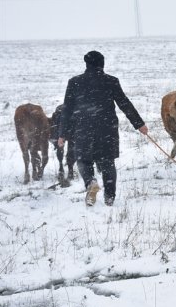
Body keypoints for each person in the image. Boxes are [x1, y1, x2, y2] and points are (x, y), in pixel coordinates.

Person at [58, 51, 148, 207]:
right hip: (107, 129)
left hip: (83, 129)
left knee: (83, 161)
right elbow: (124, 103)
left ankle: (91, 182)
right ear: (102, 64)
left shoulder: (74, 82)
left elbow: (67, 110)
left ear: (86, 64)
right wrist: (139, 124)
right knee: (107, 162)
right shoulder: (111, 81)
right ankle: (109, 197)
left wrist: (62, 134)